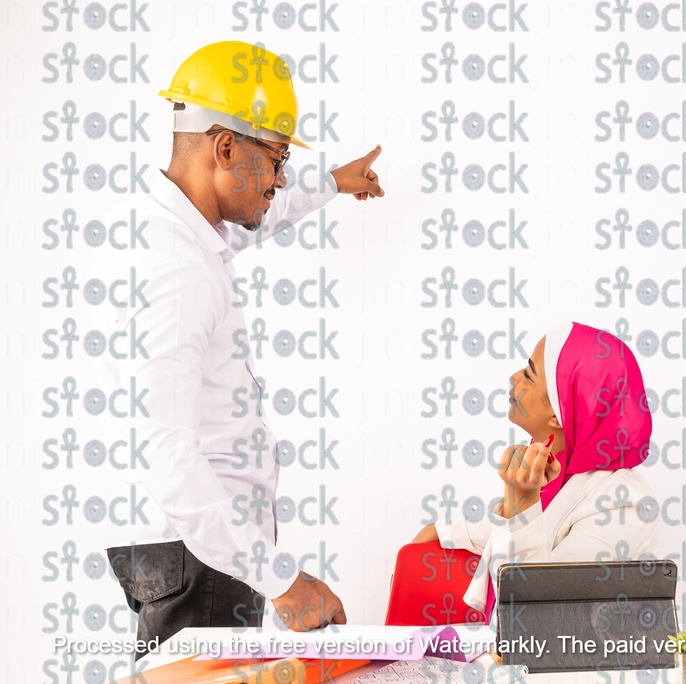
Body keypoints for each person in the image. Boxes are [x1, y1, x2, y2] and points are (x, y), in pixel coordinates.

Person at [87, 40, 384, 656]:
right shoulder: (178, 270)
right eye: (275, 159)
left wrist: (330, 183)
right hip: (203, 556)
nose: (279, 179)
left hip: (202, 551)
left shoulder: (178, 230)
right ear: (225, 148)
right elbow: (168, 453)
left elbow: (258, 216)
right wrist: (281, 580)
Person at [412, 322, 656, 614]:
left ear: (557, 413)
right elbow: (536, 526)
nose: (514, 377)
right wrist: (444, 530)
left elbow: (539, 607)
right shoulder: (564, 470)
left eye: (529, 374)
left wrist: (521, 499)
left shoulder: (623, 502)